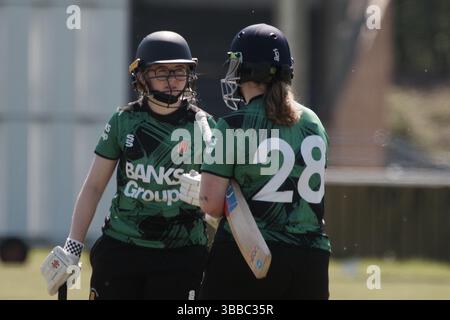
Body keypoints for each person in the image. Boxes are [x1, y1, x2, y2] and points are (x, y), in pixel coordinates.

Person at [40, 31, 215, 300]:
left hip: (181, 254)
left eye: (179, 71)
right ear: (142, 76)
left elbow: (226, 197)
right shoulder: (124, 121)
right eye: (161, 72)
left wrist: (209, 195)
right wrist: (74, 245)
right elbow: (94, 186)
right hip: (122, 248)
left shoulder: (204, 126)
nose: (172, 81)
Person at [179, 23, 331, 299]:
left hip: (251, 257)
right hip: (311, 260)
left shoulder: (234, 124)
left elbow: (211, 205)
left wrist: (202, 193)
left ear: (244, 70)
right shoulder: (313, 122)